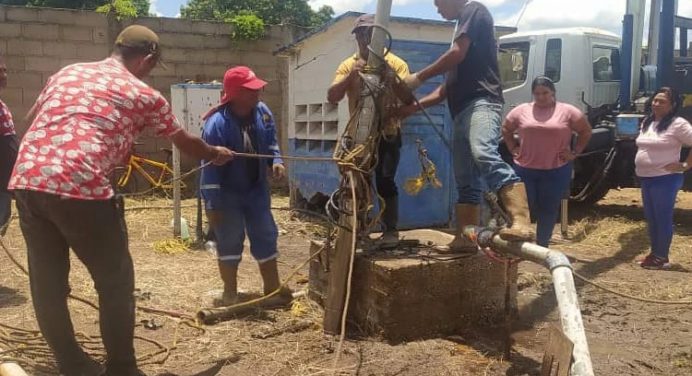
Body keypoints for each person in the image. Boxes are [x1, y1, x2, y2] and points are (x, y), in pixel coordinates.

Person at [8, 25, 234, 376]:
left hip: (29, 178)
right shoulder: (143, 94)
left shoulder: (69, 72)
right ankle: (122, 369)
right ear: (146, 59)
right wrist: (215, 152)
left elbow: (35, 118)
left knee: (47, 282)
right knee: (114, 283)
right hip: (80, 185)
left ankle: (71, 365)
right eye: (153, 66)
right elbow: (186, 142)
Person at [398, 0, 534, 253]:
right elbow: (444, 91)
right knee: (465, 179)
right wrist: (409, 109)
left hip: (482, 102)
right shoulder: (460, 32)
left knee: (484, 153)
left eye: (439, 4)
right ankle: (465, 238)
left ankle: (522, 221)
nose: (437, 10)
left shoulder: (474, 10)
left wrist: (418, 78)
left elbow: (456, 54)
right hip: (460, 110)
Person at [200, 66, 292, 307]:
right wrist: (212, 205)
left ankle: (272, 289)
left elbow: (271, 141)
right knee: (229, 240)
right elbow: (208, 170)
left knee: (265, 234)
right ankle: (230, 293)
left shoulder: (262, 113)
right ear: (235, 94)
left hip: (256, 190)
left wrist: (277, 161)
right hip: (227, 193)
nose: (258, 92)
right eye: (251, 90)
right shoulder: (216, 125)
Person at [327, 13, 413, 248]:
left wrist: (390, 76)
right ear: (356, 38)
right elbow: (332, 96)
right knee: (358, 182)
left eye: (370, 34)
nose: (365, 39)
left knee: (385, 180)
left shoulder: (396, 64)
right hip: (359, 136)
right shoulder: (348, 65)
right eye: (361, 34)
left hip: (387, 133)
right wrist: (351, 76)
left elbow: (408, 99)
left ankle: (390, 232)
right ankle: (359, 231)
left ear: (380, 37)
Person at [502, 77, 592, 247]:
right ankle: (519, 243)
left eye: (545, 93)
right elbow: (506, 128)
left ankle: (542, 245)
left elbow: (585, 131)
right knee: (523, 208)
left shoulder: (567, 111)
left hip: (556, 169)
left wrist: (575, 152)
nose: (541, 97)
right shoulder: (522, 110)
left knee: (548, 209)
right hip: (525, 168)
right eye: (537, 93)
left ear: (553, 93)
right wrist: (513, 147)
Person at [635, 87, 692, 270]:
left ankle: (662, 256)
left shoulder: (678, 124)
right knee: (652, 218)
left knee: (662, 217)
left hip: (665, 178)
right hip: (647, 177)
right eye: (655, 100)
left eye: (662, 102)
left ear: (672, 105)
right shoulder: (648, 122)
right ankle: (655, 253)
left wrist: (685, 165)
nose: (656, 104)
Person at [0, 55, 18, 236]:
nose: (4, 75)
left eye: (4, 71)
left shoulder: (2, 104)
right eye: (0, 71)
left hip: (5, 179)